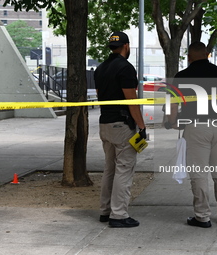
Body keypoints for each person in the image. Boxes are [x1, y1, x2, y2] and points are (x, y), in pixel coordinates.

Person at [166, 42, 217, 228]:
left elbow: (173, 104)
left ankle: (202, 216)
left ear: (189, 57)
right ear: (207, 54)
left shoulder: (181, 76)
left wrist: (173, 122)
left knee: (198, 173)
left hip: (195, 127)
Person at [94, 31, 146, 228]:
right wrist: (141, 126)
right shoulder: (125, 68)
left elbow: (100, 96)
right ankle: (119, 215)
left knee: (110, 169)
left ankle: (105, 211)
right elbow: (131, 102)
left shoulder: (100, 69)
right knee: (124, 169)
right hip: (122, 125)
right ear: (126, 46)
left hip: (105, 124)